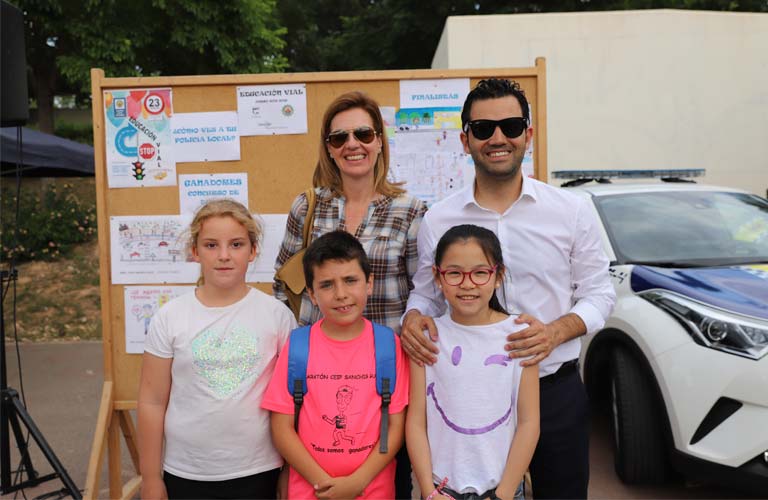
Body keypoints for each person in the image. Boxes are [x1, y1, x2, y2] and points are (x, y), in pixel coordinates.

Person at [401, 79, 616, 500]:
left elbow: (599, 293)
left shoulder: (571, 210)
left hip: (553, 389)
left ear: (528, 135)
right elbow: (425, 293)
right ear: (466, 141)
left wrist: (555, 332)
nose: (498, 138)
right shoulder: (438, 219)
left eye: (511, 126)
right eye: (483, 129)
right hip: (465, 398)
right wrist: (412, 319)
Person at [273, 90, 427, 497]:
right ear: (328, 148)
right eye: (339, 137)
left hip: (384, 381)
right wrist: (298, 356)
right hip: (317, 385)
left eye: (362, 133)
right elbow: (281, 286)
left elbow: (424, 293)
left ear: (379, 140)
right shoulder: (307, 208)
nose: (352, 145)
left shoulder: (411, 210)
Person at [137, 199, 297, 500]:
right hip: (186, 471)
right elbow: (152, 401)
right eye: (211, 245)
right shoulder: (170, 317)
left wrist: (290, 469)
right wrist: (150, 478)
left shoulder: (277, 316)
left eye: (236, 244)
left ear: (253, 250)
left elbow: (290, 404)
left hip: (258, 469)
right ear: (195, 251)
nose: (224, 256)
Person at [262, 230, 409, 499]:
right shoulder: (297, 346)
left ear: (369, 283)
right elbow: (281, 428)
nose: (341, 294)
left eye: (350, 280)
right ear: (312, 293)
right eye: (327, 284)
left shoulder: (388, 346)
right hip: (311, 490)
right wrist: (322, 484)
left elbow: (396, 426)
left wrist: (358, 482)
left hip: (374, 489)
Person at [407, 224, 539, 500]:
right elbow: (416, 421)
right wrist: (428, 492)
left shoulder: (520, 336)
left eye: (480, 273)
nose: (467, 284)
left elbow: (529, 423)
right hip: (440, 492)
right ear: (437, 277)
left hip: (502, 491)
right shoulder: (427, 337)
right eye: (454, 273)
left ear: (498, 275)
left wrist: (502, 494)